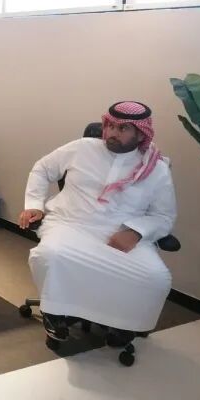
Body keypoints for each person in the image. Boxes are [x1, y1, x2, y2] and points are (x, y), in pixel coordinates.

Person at [18, 101, 176, 343]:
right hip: (70, 223)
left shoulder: (155, 169)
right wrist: (34, 205)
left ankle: (123, 322)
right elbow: (42, 169)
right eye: (110, 126)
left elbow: (163, 216)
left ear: (140, 134)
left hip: (120, 234)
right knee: (50, 255)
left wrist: (136, 232)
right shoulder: (82, 148)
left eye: (123, 129)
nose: (113, 132)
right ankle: (55, 311)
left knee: (156, 277)